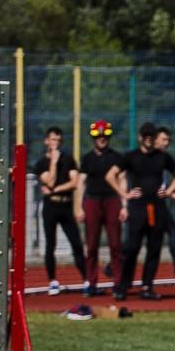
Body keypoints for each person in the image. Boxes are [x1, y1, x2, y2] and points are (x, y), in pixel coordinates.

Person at [113, 122, 175, 301]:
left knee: (154, 248)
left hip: (157, 208)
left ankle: (147, 286)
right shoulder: (131, 156)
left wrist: (168, 191)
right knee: (132, 247)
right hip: (137, 208)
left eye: (151, 136)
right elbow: (111, 175)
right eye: (146, 136)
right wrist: (125, 195)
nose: (149, 139)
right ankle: (123, 285)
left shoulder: (163, 157)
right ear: (140, 137)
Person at [35, 127, 86, 294]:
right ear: (46, 141)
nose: (56, 143)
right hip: (51, 207)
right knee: (51, 244)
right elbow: (49, 181)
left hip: (66, 205)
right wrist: (54, 162)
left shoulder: (69, 160)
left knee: (76, 242)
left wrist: (55, 189)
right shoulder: (41, 164)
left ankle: (86, 279)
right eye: (53, 140)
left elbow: (74, 182)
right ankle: (52, 281)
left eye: (58, 140)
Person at [77, 119, 125, 297]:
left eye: (105, 136)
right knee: (91, 245)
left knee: (115, 244)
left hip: (112, 201)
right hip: (93, 201)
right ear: (93, 138)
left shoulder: (117, 157)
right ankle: (91, 283)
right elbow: (81, 183)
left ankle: (118, 284)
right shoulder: (87, 159)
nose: (102, 139)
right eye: (99, 136)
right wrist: (79, 207)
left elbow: (122, 180)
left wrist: (124, 205)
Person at [152, 126, 175, 284]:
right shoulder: (145, 157)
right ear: (155, 139)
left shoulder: (165, 157)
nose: (166, 143)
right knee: (137, 238)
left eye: (168, 140)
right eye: (163, 139)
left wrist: (173, 195)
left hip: (159, 205)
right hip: (144, 205)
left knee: (173, 231)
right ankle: (114, 265)